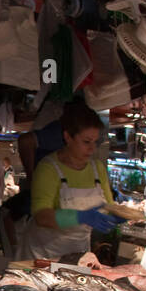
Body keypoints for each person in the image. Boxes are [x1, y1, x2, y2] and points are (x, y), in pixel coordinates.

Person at [28, 102, 120, 260]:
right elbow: (41, 216)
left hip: (79, 253)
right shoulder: (48, 168)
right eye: (86, 142)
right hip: (44, 255)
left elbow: (108, 207)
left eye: (95, 142)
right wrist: (80, 217)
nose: (92, 149)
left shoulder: (98, 169)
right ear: (68, 137)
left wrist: (118, 215)